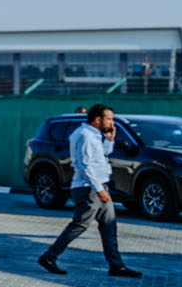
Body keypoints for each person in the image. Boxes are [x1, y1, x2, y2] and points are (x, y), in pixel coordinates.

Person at [37, 104, 143, 277]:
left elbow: (102, 157)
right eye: (109, 118)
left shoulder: (94, 135)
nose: (112, 122)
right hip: (88, 189)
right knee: (80, 225)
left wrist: (109, 140)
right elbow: (85, 166)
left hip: (99, 186)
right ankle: (49, 257)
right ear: (97, 119)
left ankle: (116, 266)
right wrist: (99, 190)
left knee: (109, 227)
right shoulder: (85, 136)